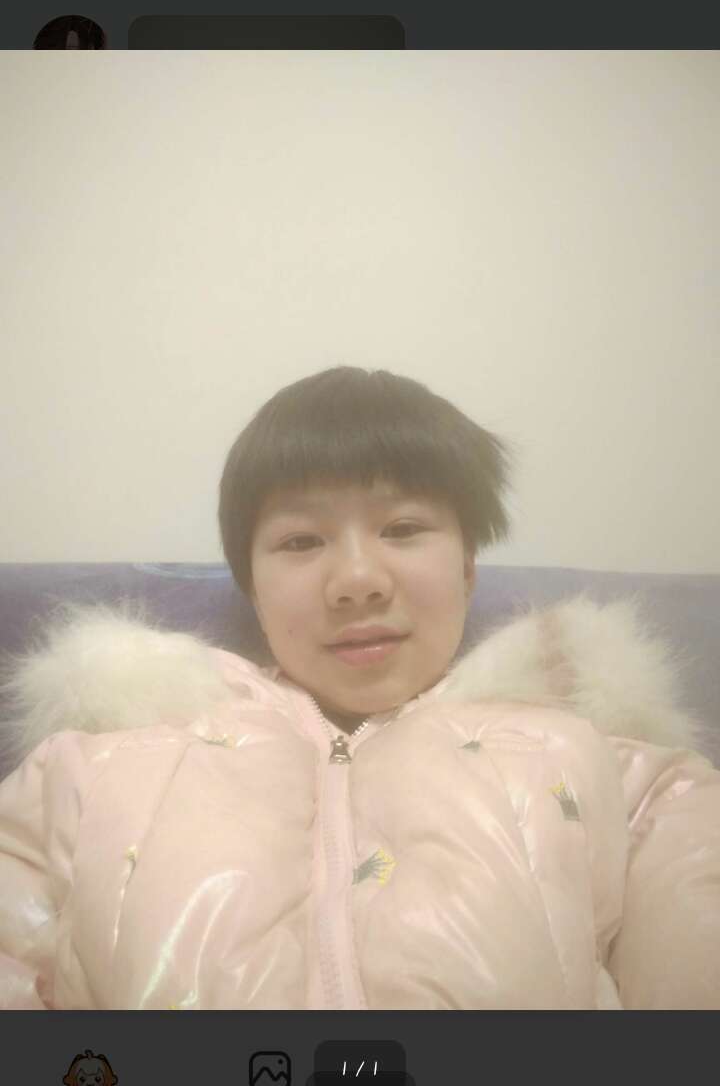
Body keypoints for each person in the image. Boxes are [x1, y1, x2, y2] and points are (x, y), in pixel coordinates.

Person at [0, 366, 718, 1010]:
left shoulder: (624, 777)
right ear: (253, 590)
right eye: (301, 542)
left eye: (402, 528)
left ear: (468, 568)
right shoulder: (91, 769)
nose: (357, 581)